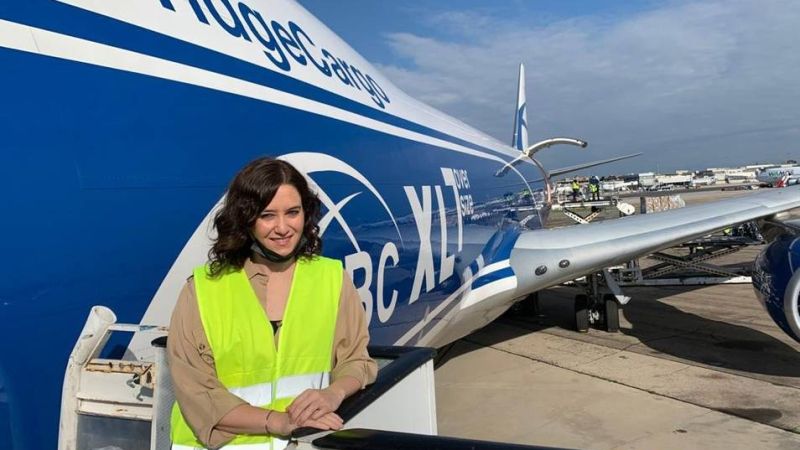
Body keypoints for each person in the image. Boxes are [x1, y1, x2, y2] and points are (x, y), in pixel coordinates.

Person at [168, 157, 377, 450]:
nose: (283, 228)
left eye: (293, 212)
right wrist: (276, 421)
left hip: (302, 443)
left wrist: (333, 394)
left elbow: (357, 360)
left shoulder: (333, 279)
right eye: (267, 215)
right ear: (246, 220)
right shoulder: (201, 290)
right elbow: (196, 389)